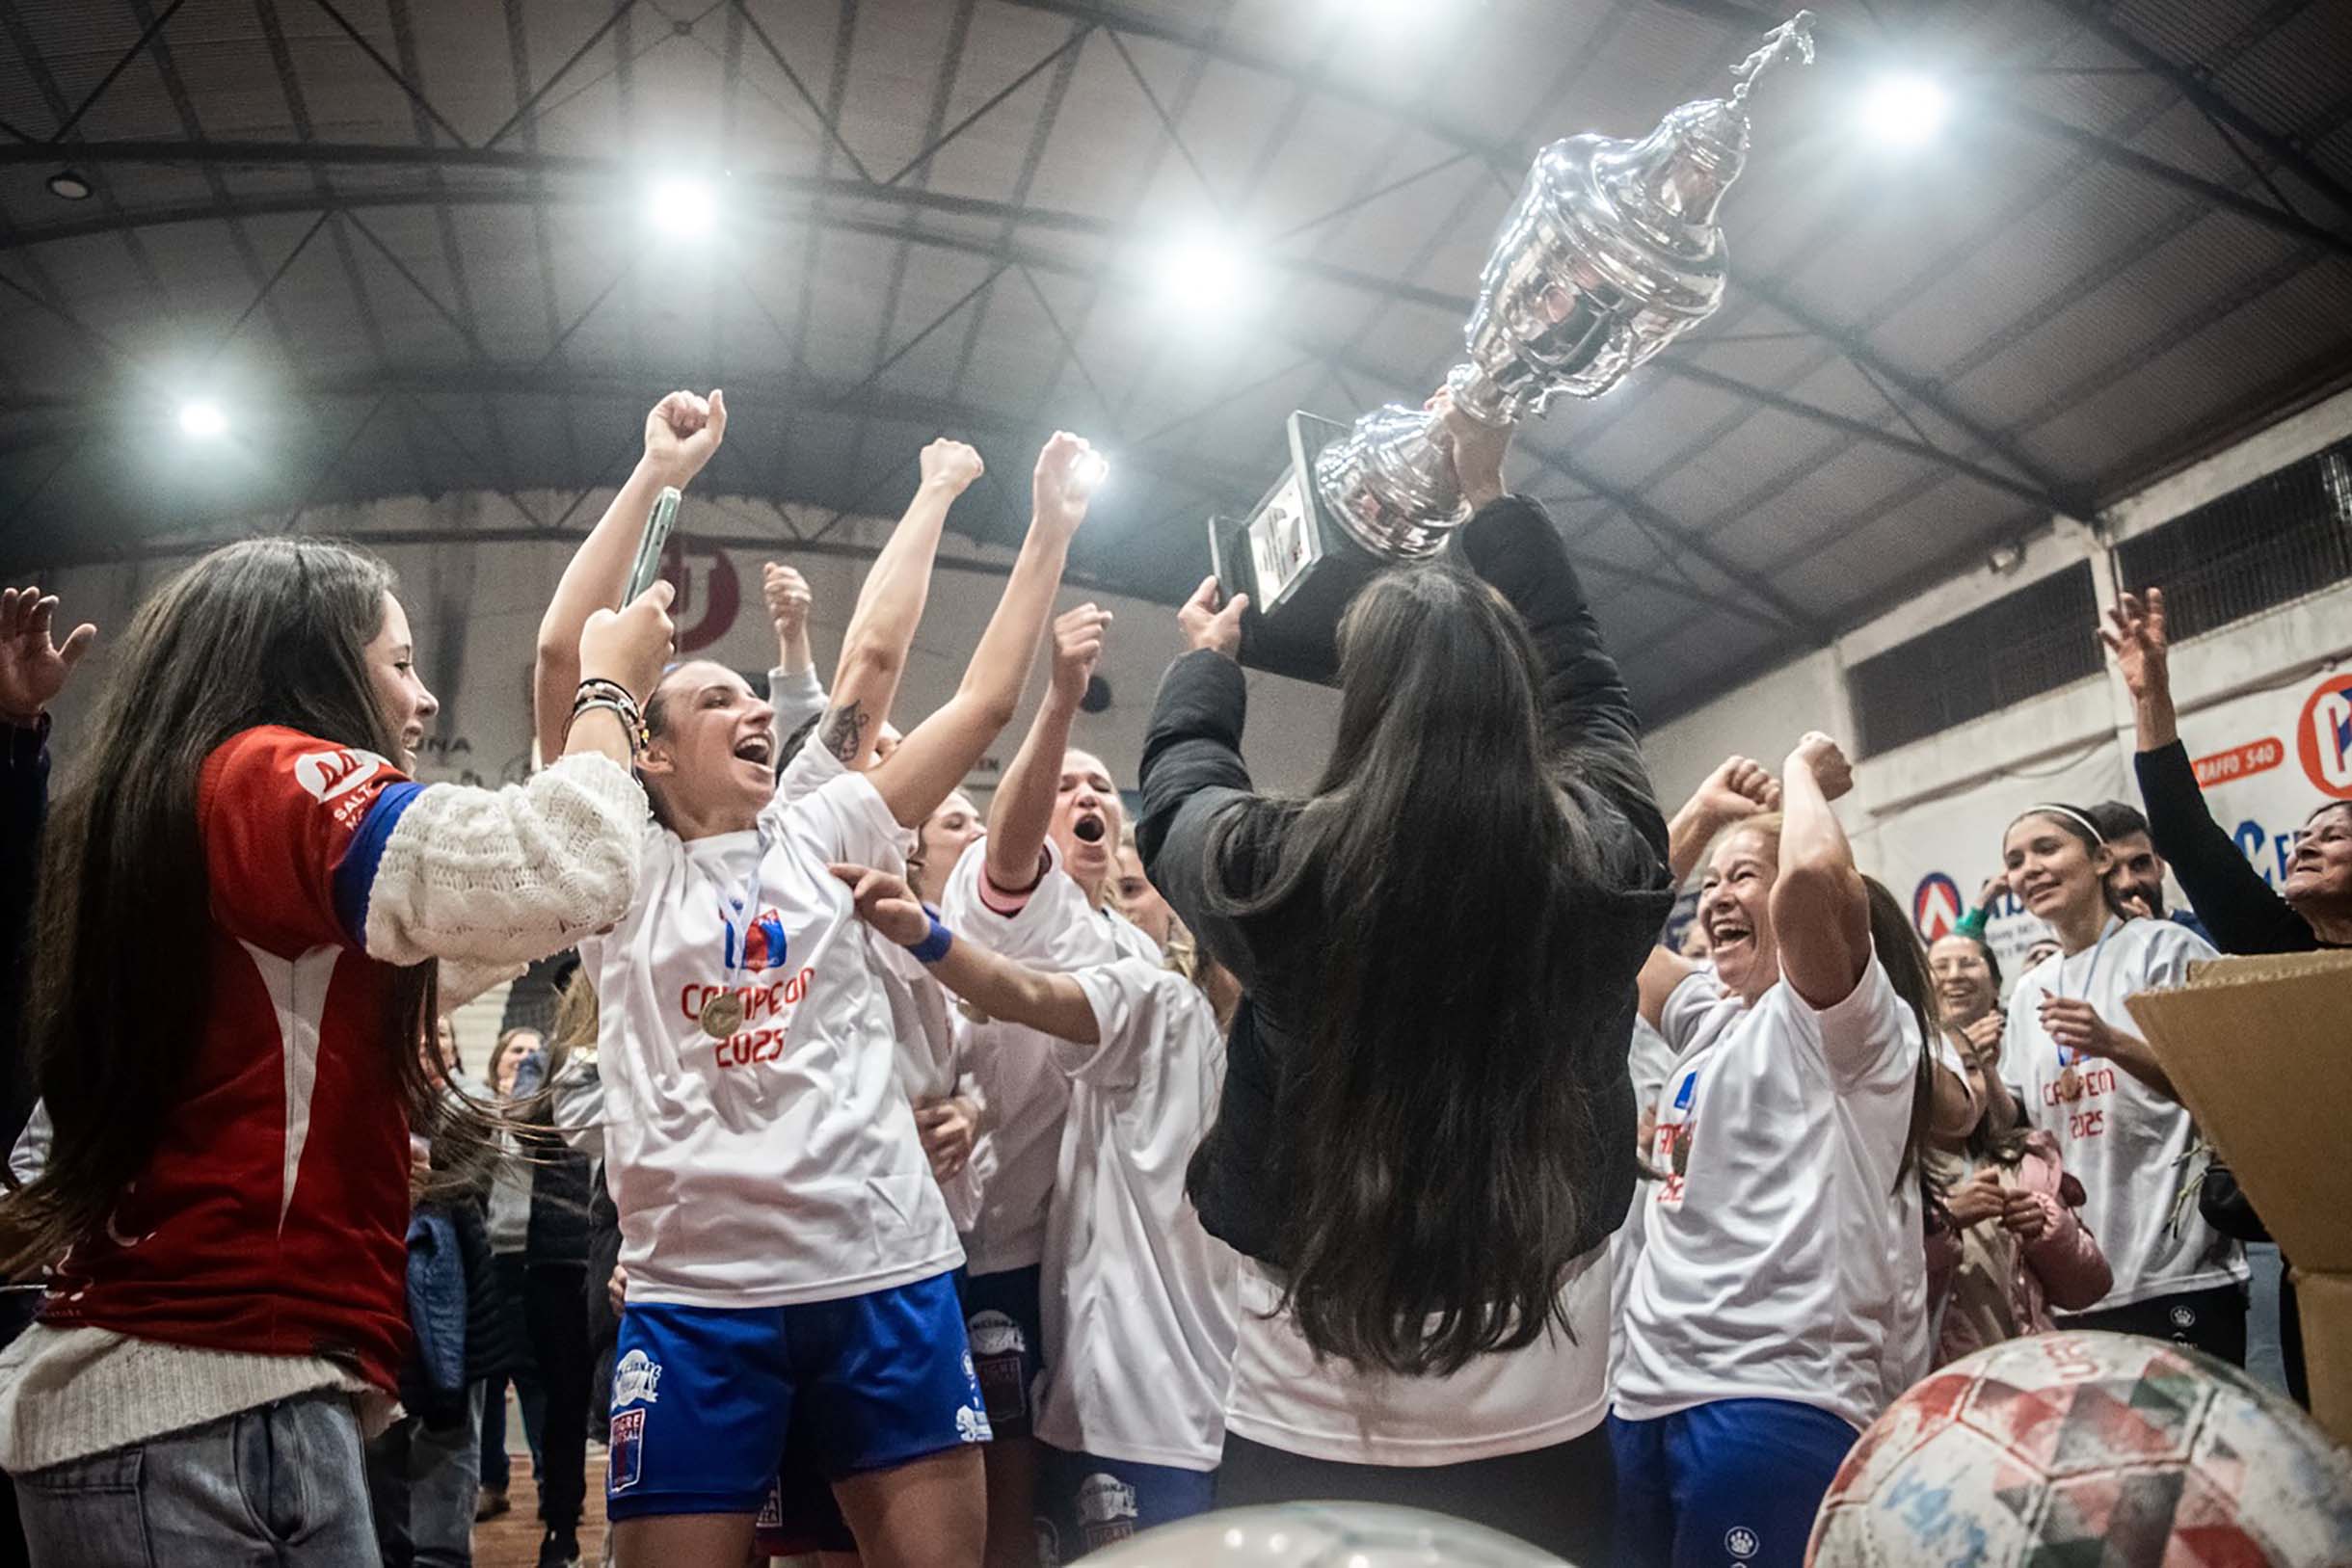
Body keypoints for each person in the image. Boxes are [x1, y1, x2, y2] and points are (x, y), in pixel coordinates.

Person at [0, 536, 668, 1568]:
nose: (427, 698)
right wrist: (612, 694)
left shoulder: (203, 812)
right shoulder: (270, 772)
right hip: (198, 1408)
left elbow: (506, 921)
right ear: (310, 663)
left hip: (215, 1401)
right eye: (400, 662)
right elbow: (560, 868)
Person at [534, 393, 1099, 1568]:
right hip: (696, 1303)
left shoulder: (820, 818)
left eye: (756, 697)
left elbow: (961, 694)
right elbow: (562, 652)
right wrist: (656, 475)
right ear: (644, 744)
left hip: (881, 1273)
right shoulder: (614, 868)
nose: (753, 708)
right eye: (714, 699)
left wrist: (1044, 521)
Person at [1136, 393, 1672, 1560]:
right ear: (1514, 705)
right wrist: (1492, 503)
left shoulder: (1277, 873)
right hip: (1550, 1425)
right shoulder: (1604, 865)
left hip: (1298, 1422)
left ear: (1363, 711)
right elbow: (1594, 693)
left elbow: (1176, 792)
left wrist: (1204, 670)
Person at [1612, 745, 1976, 1568]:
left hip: (1775, 1399)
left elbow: (1814, 881)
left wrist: (1803, 770)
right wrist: (1702, 815)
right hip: (1645, 1393)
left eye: (1745, 876)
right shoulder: (1711, 1017)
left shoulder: (1839, 1026)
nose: (1717, 899)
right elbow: (1609, 932)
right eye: (1710, 884)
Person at [835, 861, 1239, 1559]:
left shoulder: (1298, 1051)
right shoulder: (1159, 1004)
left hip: (1235, 1408)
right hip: (1135, 1407)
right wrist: (926, 933)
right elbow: (1018, 992)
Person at [2101, 585, 2348, 1401]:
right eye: (2304, 834)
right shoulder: (2276, 944)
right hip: (2323, 1261)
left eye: (2336, 834)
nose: (2309, 842)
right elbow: (2182, 830)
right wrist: (2150, 693)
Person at [940, 600, 1146, 1568]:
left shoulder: (1136, 947)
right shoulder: (1012, 901)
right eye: (1062, 785)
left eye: (1101, 784)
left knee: (1090, 1518)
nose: (1082, 793)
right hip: (997, 1257)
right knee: (1001, 1521)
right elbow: (1015, 850)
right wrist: (1058, 698)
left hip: (1104, 1271)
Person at [1993, 803, 2246, 1361]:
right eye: (2015, 860)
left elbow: (2226, 1091)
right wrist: (1976, 1070)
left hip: (2179, 1270)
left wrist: (2113, 1043)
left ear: (2102, 859)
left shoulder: (2165, 949)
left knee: (2193, 1447)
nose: (2028, 868)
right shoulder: (2030, 987)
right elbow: (2014, 1123)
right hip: (2080, 1277)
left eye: (2046, 848)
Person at [1923, 1018, 2110, 1366]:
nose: (1966, 1083)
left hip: (2028, 1377)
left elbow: (2090, 1286)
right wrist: (1941, 1223)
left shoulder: (2025, 1164)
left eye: (1972, 1067)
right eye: (1946, 1070)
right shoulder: (1896, 1180)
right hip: (1941, 1387)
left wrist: (2048, 1229)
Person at [2086, 798, 2211, 942]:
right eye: (2111, 871)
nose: (2127, 882)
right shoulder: (2083, 957)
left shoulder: (2206, 938)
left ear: (2159, 865)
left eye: (2139, 865)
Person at [1927, 931, 2005, 1076]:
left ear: (1996, 984)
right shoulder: (1917, 1053)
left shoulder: (2023, 1040)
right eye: (1941, 967)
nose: (1954, 975)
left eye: (1968, 964)